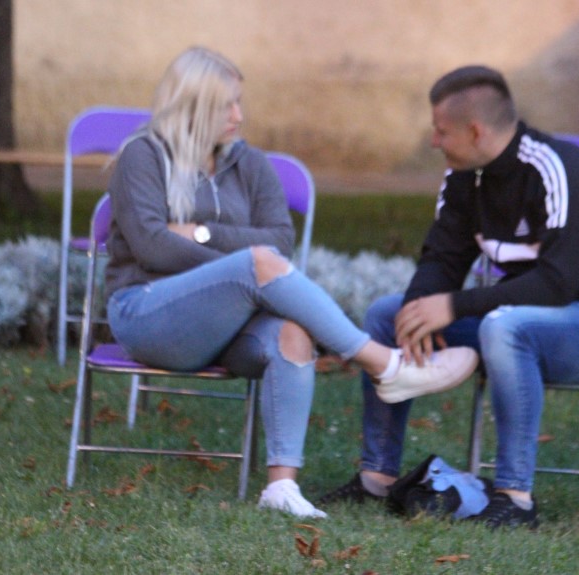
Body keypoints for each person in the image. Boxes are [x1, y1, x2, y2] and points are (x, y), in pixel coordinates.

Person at [104, 47, 479, 519]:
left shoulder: (250, 164)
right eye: (226, 106)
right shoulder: (142, 155)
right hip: (147, 314)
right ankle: (383, 363)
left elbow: (280, 240)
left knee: (292, 332)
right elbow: (153, 246)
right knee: (256, 264)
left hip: (226, 325)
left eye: (239, 102)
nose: (239, 116)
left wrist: (202, 235)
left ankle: (281, 488)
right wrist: (241, 269)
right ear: (192, 106)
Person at [319, 65, 579, 528]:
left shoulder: (558, 168)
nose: (433, 141)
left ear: (475, 131)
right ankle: (377, 477)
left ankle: (515, 499)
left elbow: (557, 283)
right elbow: (441, 257)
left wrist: (453, 306)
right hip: (518, 322)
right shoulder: (464, 176)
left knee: (505, 326)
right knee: (386, 315)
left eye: (441, 131)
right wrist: (420, 309)